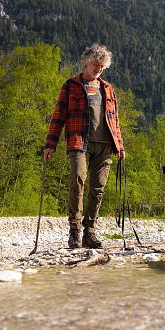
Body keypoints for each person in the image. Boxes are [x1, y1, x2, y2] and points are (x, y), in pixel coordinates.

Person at [44, 44, 125, 249]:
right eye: (96, 64)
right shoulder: (70, 85)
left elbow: (115, 121)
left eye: (102, 66)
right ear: (86, 62)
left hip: (105, 144)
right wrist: (50, 144)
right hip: (79, 141)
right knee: (77, 180)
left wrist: (120, 147)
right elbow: (58, 116)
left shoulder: (107, 88)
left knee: (98, 188)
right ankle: (74, 230)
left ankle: (90, 231)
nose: (99, 68)